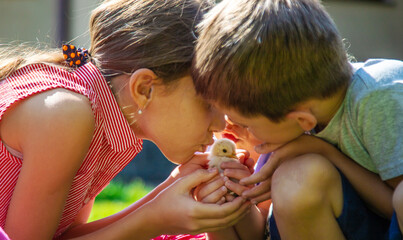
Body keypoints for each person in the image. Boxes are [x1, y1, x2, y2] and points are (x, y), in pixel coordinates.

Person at [0, 0, 252, 239]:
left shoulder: (102, 119)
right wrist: (155, 219)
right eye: (208, 103)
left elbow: (63, 236)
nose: (222, 123)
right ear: (144, 89)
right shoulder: (65, 115)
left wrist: (169, 189)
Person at [193, 0, 402, 239]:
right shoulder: (290, 111)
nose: (228, 128)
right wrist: (232, 199)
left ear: (302, 120)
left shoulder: (379, 98)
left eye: (246, 124)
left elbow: (395, 208)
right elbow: (265, 229)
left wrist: (325, 152)